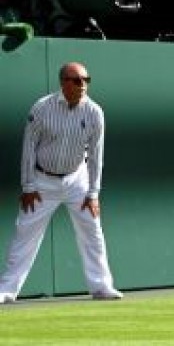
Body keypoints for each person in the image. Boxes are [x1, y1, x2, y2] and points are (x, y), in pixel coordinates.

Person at [0, 62, 122, 303]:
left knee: (92, 231)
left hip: (78, 180)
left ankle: (102, 286)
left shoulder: (95, 112)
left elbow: (97, 156)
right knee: (25, 234)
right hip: (42, 181)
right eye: (77, 80)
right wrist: (29, 187)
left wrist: (93, 193)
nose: (83, 85)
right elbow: (28, 148)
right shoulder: (42, 108)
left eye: (87, 79)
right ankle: (6, 289)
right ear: (63, 83)